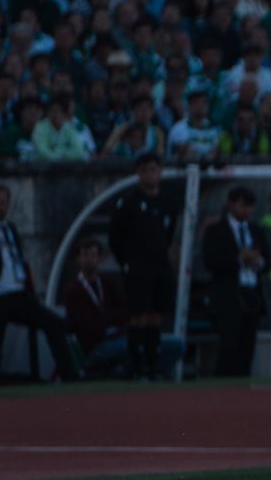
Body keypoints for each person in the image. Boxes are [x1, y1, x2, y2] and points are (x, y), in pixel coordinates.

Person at [0, 183, 80, 384]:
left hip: (18, 295)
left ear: (8, 204)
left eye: (2, 203)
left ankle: (70, 376)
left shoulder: (11, 229)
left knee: (55, 324)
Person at [64, 238, 185, 378]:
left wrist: (108, 319)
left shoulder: (106, 282)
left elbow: (124, 311)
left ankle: (153, 374)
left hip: (118, 337)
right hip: (96, 346)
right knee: (132, 347)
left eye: (93, 255)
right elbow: (87, 324)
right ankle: (138, 373)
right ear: (78, 259)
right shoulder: (73, 290)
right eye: (85, 255)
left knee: (176, 345)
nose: (90, 260)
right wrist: (110, 319)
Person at [107, 152, 178, 381]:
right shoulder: (129, 203)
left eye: (154, 169)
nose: (150, 174)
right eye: (145, 170)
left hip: (160, 265)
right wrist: (128, 261)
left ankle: (153, 366)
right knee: (138, 315)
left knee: (156, 316)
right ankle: (138, 368)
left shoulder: (167, 201)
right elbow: (115, 238)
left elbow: (168, 232)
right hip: (137, 267)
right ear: (138, 174)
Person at [201, 186, 268, 377]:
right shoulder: (216, 230)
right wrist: (238, 259)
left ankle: (243, 387)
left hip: (251, 294)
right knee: (229, 346)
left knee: (247, 347)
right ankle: (223, 386)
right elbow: (210, 261)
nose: (246, 210)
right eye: (242, 205)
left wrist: (258, 261)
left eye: (249, 206)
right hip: (228, 296)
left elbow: (269, 261)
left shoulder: (256, 230)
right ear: (231, 205)